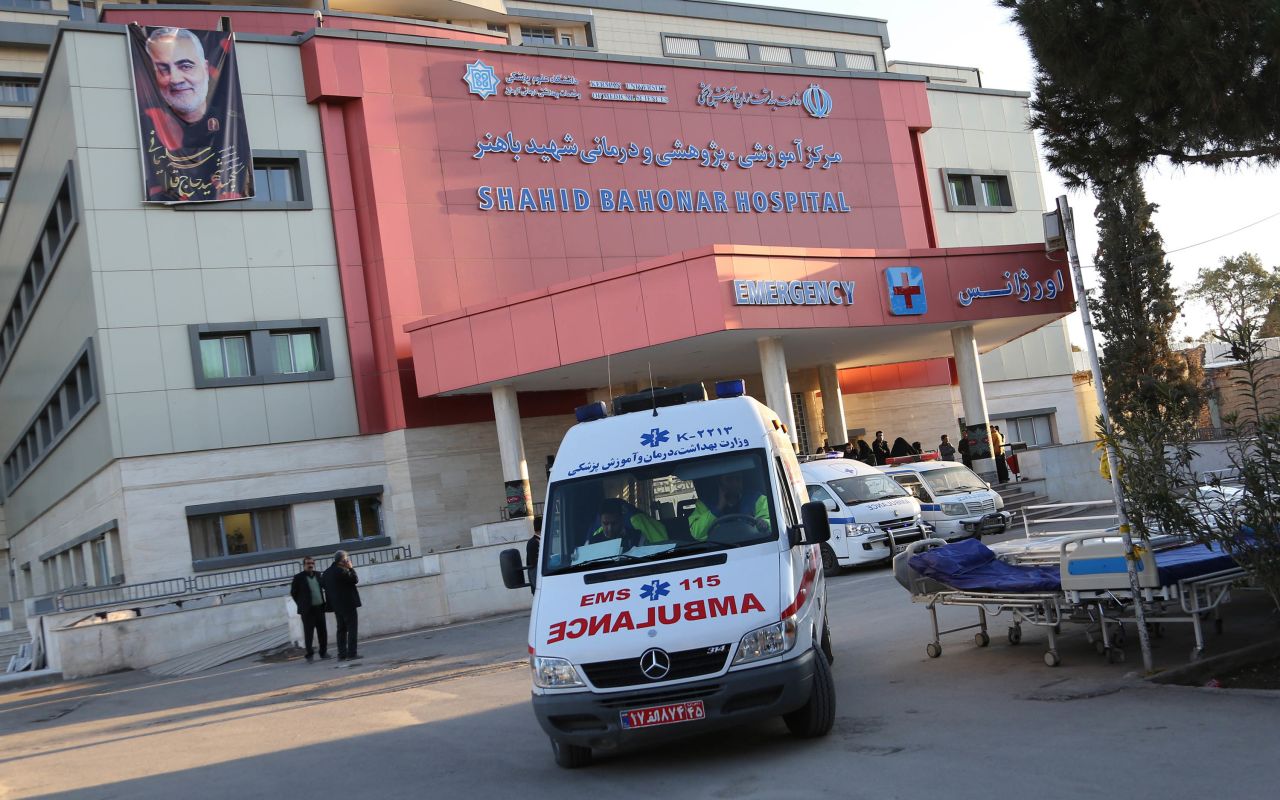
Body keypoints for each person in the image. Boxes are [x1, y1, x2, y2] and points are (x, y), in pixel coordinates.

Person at [134, 26, 251, 201]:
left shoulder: (235, 126)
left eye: (186, 66)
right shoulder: (145, 129)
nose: (175, 79)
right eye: (163, 69)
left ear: (205, 68)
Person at [688, 472, 769, 540]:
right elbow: (696, 533)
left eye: (738, 479)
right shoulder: (703, 504)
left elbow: (771, 521)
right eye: (729, 479)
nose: (735, 483)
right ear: (719, 483)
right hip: (716, 549)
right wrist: (718, 508)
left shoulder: (757, 499)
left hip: (753, 545)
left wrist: (764, 523)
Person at [322, 550, 362, 661]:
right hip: (348, 604)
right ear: (343, 560)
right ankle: (352, 653)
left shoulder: (326, 573)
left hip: (336, 606)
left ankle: (342, 654)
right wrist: (351, 568)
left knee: (341, 629)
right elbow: (355, 579)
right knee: (352, 629)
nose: (348, 560)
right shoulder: (343, 570)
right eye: (347, 559)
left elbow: (323, 585)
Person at [289, 557, 329, 662]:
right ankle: (309, 654)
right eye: (308, 563)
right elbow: (294, 593)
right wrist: (302, 604)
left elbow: (323, 587)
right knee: (309, 633)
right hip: (307, 610)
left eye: (312, 563)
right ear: (304, 565)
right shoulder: (299, 577)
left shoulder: (318, 575)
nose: (310, 565)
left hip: (319, 608)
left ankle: (323, 652)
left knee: (322, 632)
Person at [586, 498, 668, 548]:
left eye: (614, 523)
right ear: (600, 521)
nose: (609, 528)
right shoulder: (591, 543)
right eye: (605, 523)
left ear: (622, 520)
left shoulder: (638, 537)